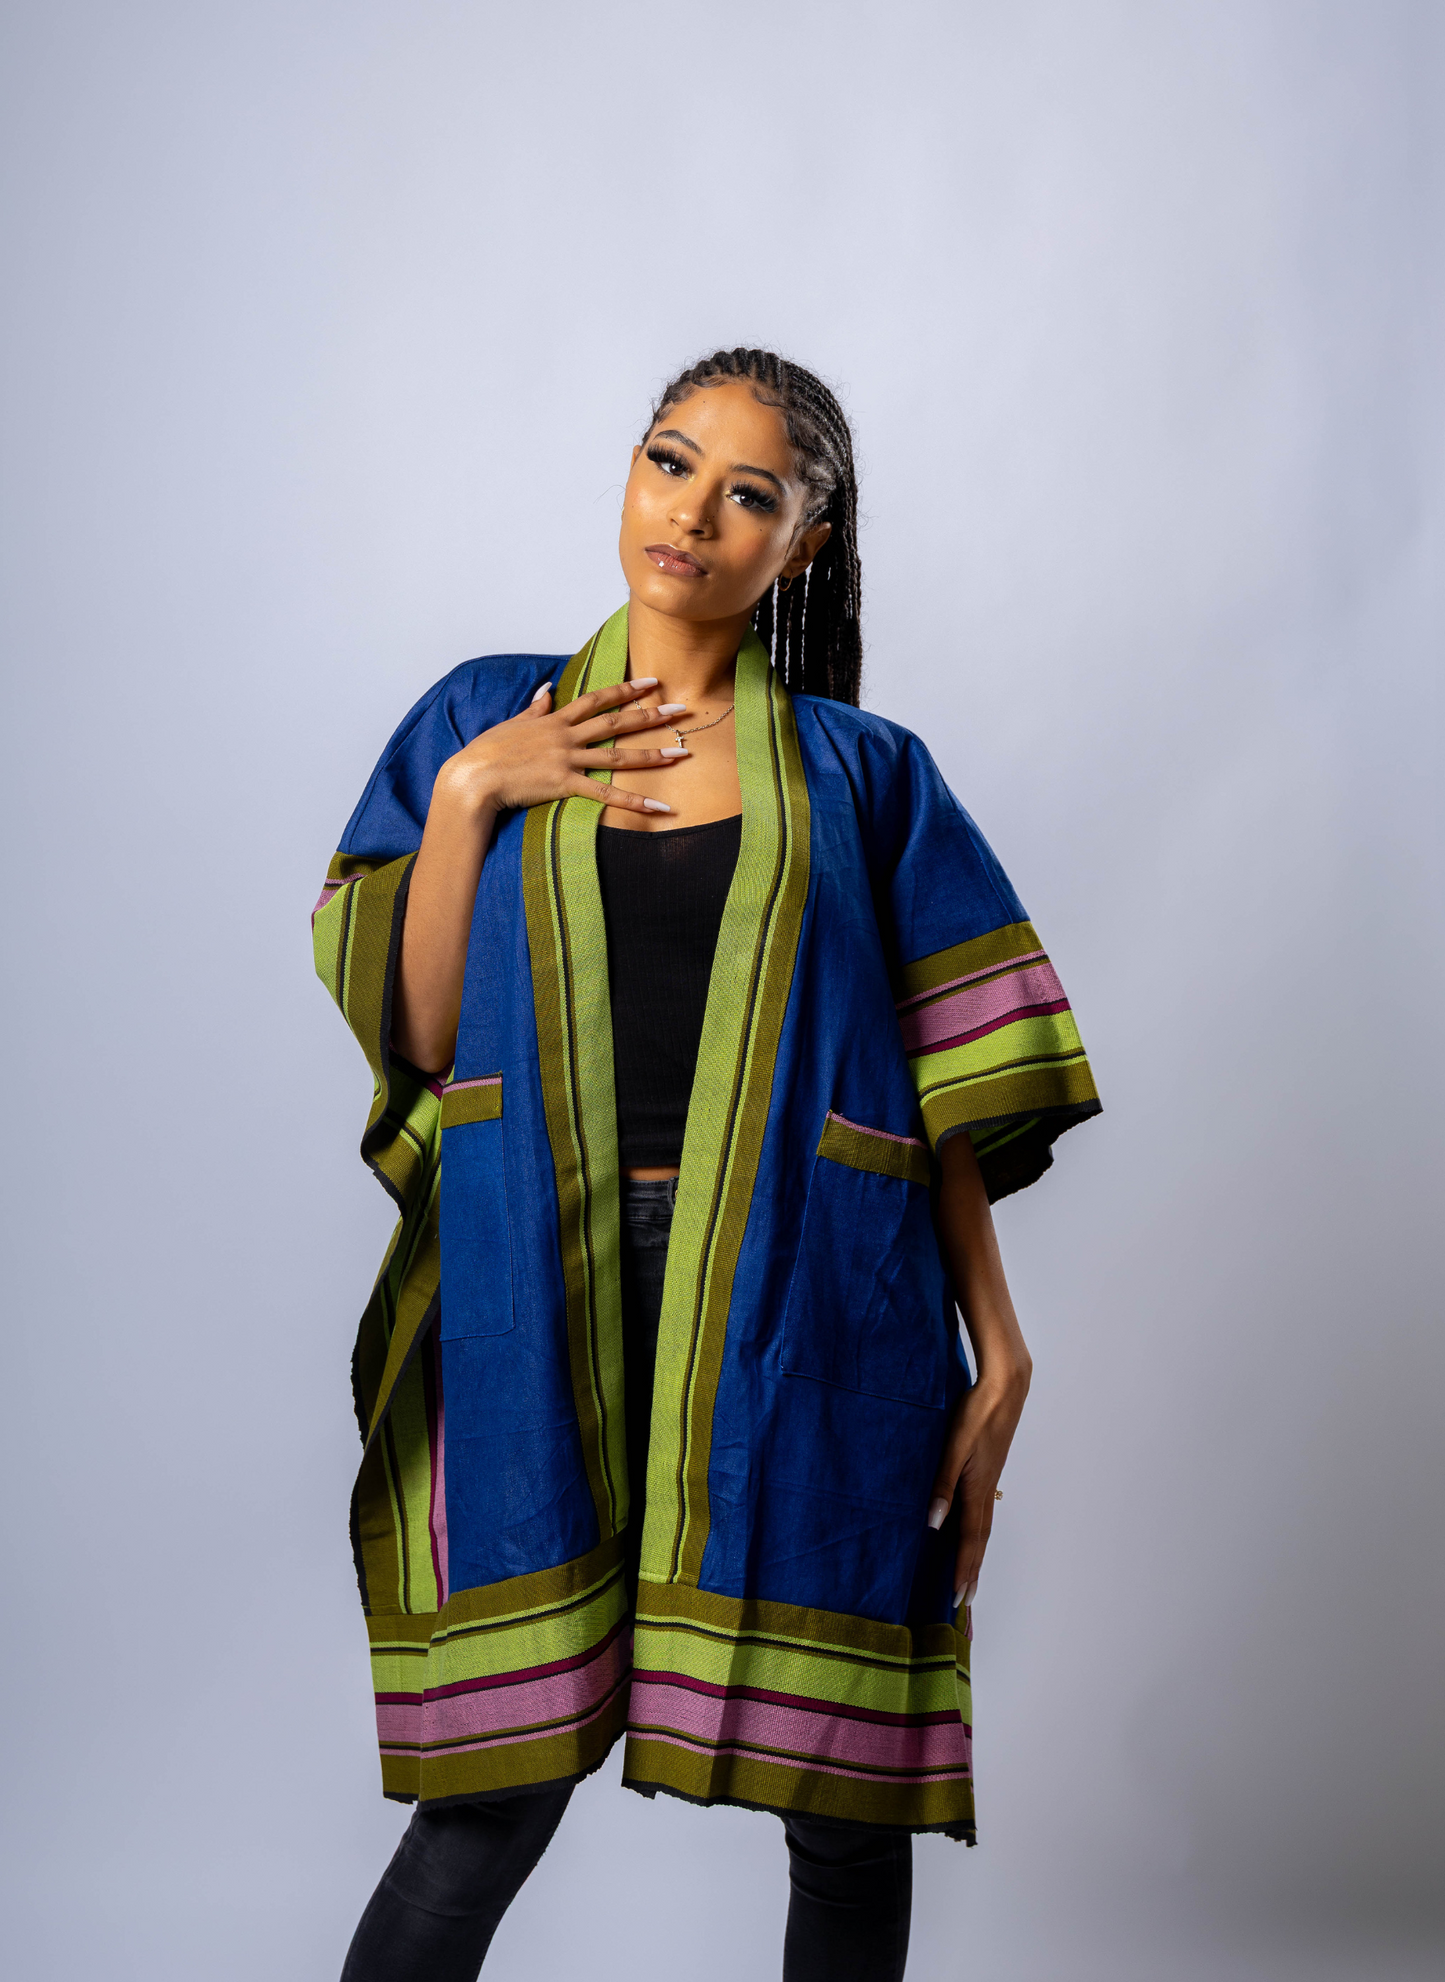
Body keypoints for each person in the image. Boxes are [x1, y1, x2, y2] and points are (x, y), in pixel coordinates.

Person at [313, 347, 1100, 1981]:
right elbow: (423, 1026)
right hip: (547, 1282)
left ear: (802, 544)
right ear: (628, 470)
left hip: (814, 1291)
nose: (694, 512)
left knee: (845, 1795)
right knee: (492, 1791)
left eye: (751, 494)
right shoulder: (484, 714)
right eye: (671, 461)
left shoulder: (864, 774)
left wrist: (1002, 1338)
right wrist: (471, 794)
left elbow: (939, 1080)